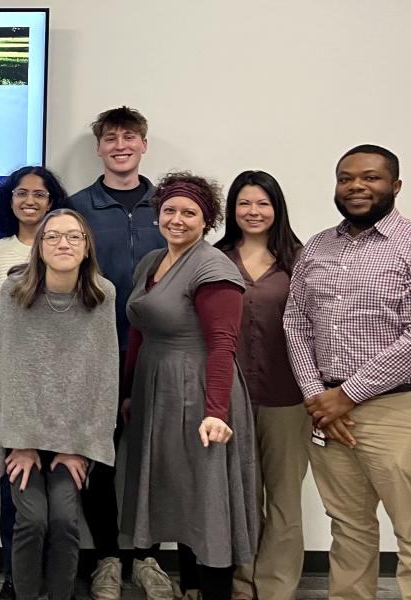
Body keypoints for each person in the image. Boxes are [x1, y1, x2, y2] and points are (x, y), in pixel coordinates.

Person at [284, 145, 411, 600]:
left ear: (396, 186)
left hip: (396, 408)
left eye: (370, 178)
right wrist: (317, 396)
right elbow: (295, 322)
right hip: (327, 413)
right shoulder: (318, 246)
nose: (356, 187)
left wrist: (348, 393)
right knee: (348, 530)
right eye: (346, 178)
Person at [120, 172, 258, 600]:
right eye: (169, 210)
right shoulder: (151, 263)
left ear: (207, 220)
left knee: (204, 498)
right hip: (155, 390)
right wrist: (128, 393)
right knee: (177, 494)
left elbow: (223, 344)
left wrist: (216, 411)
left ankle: (213, 592)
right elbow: (139, 330)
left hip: (199, 392)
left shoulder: (213, 267)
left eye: (189, 213)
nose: (177, 219)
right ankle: (191, 590)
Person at [0, 209, 118, 600]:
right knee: (30, 519)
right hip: (20, 430)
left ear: (86, 246)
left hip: (73, 438)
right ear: (38, 247)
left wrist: (78, 448)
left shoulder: (101, 295)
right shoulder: (15, 293)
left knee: (62, 519)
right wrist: (20, 442)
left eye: (74, 237)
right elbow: (4, 370)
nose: (64, 244)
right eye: (53, 236)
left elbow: (103, 377)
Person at [67, 106, 170, 600]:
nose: (121, 145)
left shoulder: (168, 205)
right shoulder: (76, 208)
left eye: (130, 137)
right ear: (100, 147)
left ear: (144, 144)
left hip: (158, 353)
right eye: (111, 138)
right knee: (100, 459)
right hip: (96, 352)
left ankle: (148, 556)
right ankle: (107, 556)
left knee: (152, 460)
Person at [212, 171, 306, 600]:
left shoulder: (300, 260)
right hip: (230, 398)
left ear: (276, 208)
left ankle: (276, 588)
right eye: (244, 203)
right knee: (241, 496)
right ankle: (242, 584)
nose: (253, 212)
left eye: (262, 203)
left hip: (288, 396)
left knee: (284, 499)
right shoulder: (215, 258)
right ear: (233, 209)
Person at [0, 166, 69, 600]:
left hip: (62, 391)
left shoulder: (69, 249)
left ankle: (57, 583)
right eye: (22, 193)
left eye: (40, 193)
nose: (30, 200)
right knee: (15, 486)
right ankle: (13, 580)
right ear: (10, 199)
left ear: (53, 201)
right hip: (9, 386)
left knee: (61, 493)